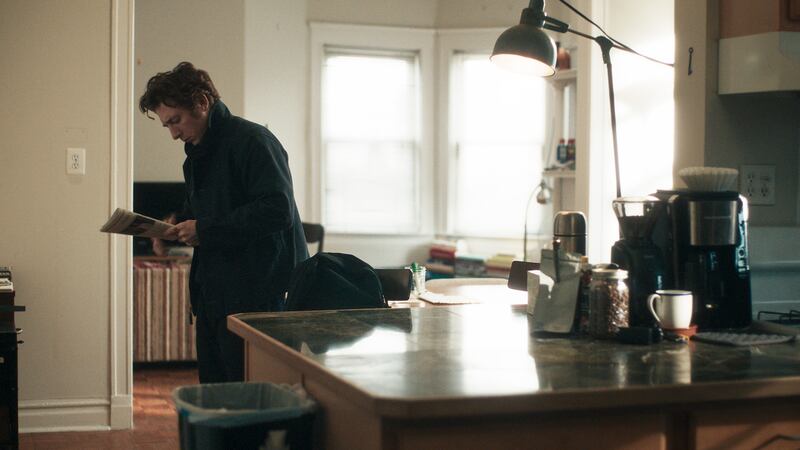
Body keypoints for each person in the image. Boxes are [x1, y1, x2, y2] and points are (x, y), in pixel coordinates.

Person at [139, 62, 309, 383]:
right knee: (216, 394)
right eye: (167, 125)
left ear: (202, 103)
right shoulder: (195, 155)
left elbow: (277, 209)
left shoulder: (254, 141)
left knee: (249, 394)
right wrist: (173, 225)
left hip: (255, 295)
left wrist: (203, 229)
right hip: (213, 293)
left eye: (176, 120)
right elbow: (209, 210)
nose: (173, 133)